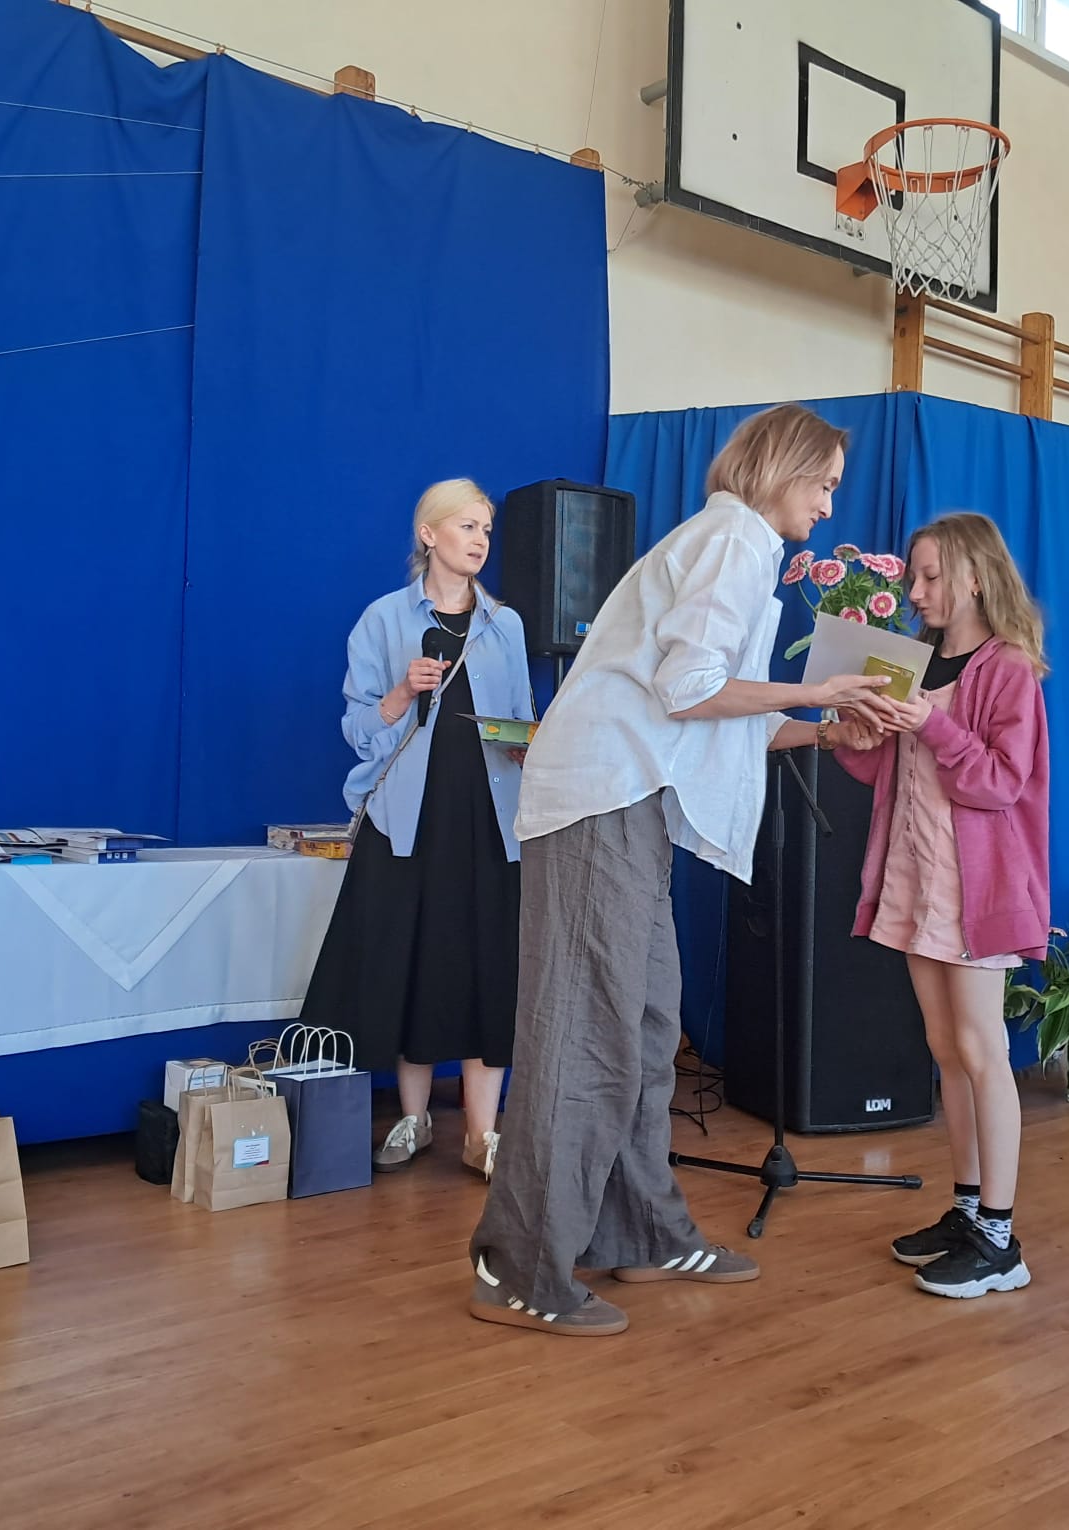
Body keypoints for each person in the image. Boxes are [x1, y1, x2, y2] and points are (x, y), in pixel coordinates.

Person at [467, 404, 892, 1337]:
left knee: (648, 1027)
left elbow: (716, 713)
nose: (828, 506)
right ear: (782, 469)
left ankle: (640, 1231)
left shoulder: (737, 545)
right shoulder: (733, 540)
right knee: (587, 1036)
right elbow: (689, 688)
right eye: (823, 484)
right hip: (601, 801)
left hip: (629, 806)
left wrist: (824, 729)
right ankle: (519, 1266)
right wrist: (816, 689)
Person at [828, 511, 1050, 1300]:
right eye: (912, 577)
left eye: (928, 577)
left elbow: (999, 783)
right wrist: (860, 737)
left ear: (974, 579)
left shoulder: (1008, 668)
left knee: (982, 1049)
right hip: (919, 878)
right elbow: (888, 772)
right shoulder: (914, 663)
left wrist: (932, 723)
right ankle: (967, 1210)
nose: (915, 592)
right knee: (945, 1048)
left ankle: (1001, 1238)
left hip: (977, 890)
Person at [300, 479, 534, 1182]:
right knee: (411, 964)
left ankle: (483, 1133)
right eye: (467, 526)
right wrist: (403, 692)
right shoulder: (382, 619)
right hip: (408, 821)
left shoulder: (506, 625)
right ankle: (414, 1118)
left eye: (486, 529)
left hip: (490, 823)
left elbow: (520, 720)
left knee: (489, 969)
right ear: (428, 534)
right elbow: (357, 727)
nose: (480, 540)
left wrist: (529, 741)